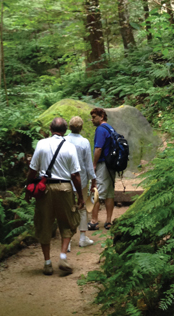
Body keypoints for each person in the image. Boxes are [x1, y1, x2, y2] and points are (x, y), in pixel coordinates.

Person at [26, 117, 84, 276]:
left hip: (45, 189)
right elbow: (75, 175)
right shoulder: (70, 147)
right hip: (65, 188)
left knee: (44, 223)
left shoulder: (41, 144)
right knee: (68, 222)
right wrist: (80, 196)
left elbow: (32, 170)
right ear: (65, 131)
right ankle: (63, 257)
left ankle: (47, 263)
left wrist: (27, 189)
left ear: (50, 130)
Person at [66, 116, 97, 248]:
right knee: (82, 207)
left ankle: (66, 242)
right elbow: (88, 164)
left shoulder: (64, 140)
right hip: (82, 179)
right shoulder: (84, 142)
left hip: (66, 179)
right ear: (81, 127)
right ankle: (83, 238)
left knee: (67, 209)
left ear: (69, 127)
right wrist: (93, 180)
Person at [88, 108, 115, 230]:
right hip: (111, 164)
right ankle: (108, 221)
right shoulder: (110, 128)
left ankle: (94, 221)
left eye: (94, 117)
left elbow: (98, 148)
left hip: (103, 164)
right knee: (109, 193)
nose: (92, 120)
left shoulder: (100, 130)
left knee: (97, 192)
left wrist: (94, 164)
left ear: (102, 116)